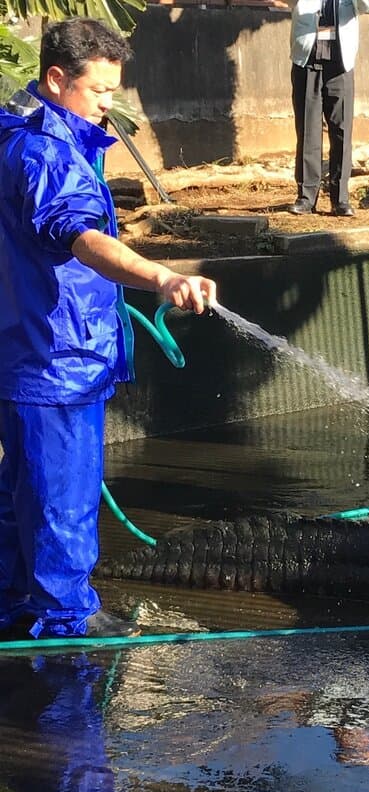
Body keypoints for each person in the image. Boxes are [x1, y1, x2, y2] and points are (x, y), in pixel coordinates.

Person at [0, 18, 218, 639]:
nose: (108, 107)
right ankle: (67, 638)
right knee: (60, 507)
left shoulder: (18, 134)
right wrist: (160, 277)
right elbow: (82, 237)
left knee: (20, 500)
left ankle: (16, 610)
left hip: (25, 351)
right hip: (57, 357)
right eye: (98, 93)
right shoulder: (46, 152)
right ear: (55, 79)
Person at [285, 0, 369, 217]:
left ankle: (341, 199)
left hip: (340, 63)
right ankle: (306, 197)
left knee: (342, 131)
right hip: (306, 59)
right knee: (308, 131)